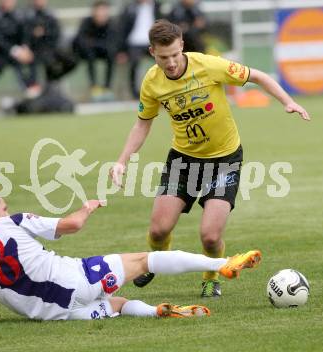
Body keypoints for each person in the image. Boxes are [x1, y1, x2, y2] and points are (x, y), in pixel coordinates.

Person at [110, 20, 309, 298]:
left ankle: (210, 277)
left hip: (224, 159)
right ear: (152, 52)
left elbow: (259, 76)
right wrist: (121, 161)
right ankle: (155, 262)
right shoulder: (152, 82)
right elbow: (143, 124)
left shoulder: (208, 65)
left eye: (174, 55)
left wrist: (287, 101)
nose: (170, 63)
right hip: (183, 160)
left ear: (182, 45)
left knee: (211, 236)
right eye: (163, 57)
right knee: (158, 231)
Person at [0, 188, 261, 324]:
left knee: (117, 304)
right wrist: (87, 207)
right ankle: (222, 264)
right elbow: (72, 224)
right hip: (75, 279)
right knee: (143, 260)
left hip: (57, 315)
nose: (6, 210)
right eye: (2, 206)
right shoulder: (8, 222)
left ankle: (156, 311)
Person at [0, 0, 35, 101]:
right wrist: (14, 50)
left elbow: (25, 34)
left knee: (29, 62)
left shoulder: (20, 16)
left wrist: (25, 47)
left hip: (17, 54)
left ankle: (32, 93)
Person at [23, 0, 76, 95]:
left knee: (72, 60)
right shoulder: (27, 16)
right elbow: (25, 35)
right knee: (45, 62)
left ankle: (53, 80)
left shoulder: (50, 15)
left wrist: (44, 32)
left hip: (52, 48)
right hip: (35, 50)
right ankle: (38, 89)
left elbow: (56, 33)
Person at [117, 0, 162, 99]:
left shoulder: (157, 6)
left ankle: (161, 90)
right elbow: (122, 29)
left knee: (163, 62)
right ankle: (135, 93)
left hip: (153, 41)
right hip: (134, 43)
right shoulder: (130, 8)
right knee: (134, 63)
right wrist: (121, 51)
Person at [73, 0, 117, 101]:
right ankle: (94, 87)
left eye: (104, 11)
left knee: (111, 55)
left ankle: (107, 87)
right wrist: (95, 44)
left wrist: (94, 43)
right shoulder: (86, 22)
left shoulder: (111, 24)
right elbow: (81, 40)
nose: (101, 14)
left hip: (103, 51)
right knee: (90, 55)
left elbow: (112, 42)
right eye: (99, 11)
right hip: (88, 52)